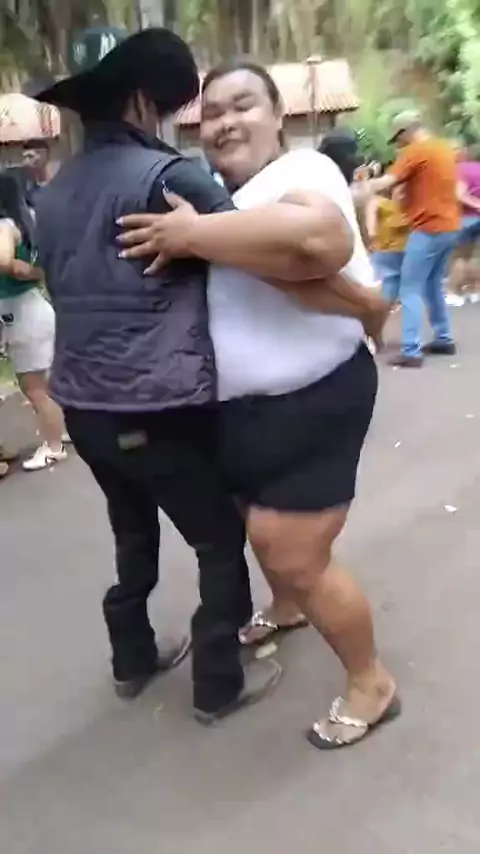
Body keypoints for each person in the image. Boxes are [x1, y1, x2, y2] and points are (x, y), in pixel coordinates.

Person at [36, 30, 386, 724]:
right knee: (222, 540)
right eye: (201, 110)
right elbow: (274, 261)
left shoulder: (54, 193)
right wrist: (367, 305)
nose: (208, 122)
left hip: (85, 402)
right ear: (144, 102)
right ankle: (218, 681)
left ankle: (136, 658)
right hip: (159, 408)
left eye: (240, 107)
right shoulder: (167, 177)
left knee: (142, 535)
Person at [119, 59, 398, 748]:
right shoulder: (216, 194)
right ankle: (290, 608)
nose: (225, 122)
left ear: (278, 116)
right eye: (211, 114)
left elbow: (312, 242)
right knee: (251, 517)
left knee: (293, 550)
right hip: (240, 410)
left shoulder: (303, 172)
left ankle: (372, 683)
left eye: (242, 105)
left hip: (315, 396)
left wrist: (190, 236)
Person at [367, 111, 459, 367]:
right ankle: (444, 338)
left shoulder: (415, 150)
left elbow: (388, 181)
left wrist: (365, 183)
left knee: (409, 288)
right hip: (450, 226)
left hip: (428, 228)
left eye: (398, 139)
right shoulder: (444, 149)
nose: (398, 145)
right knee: (432, 284)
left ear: (406, 131)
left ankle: (411, 350)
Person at [0, 169, 67, 471]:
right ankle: (60, 434)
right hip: (32, 308)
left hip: (23, 315)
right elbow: (39, 268)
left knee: (35, 388)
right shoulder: (27, 221)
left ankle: (53, 447)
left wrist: (14, 266)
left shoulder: (3, 226)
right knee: (44, 384)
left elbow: (3, 260)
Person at [367, 184, 410, 304]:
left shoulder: (376, 202)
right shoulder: (378, 203)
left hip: (389, 250)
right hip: (394, 250)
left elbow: (371, 230)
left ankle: (388, 303)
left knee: (388, 281)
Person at [448, 149, 480, 304]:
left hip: (465, 219)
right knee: (476, 257)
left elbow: (459, 195)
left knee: (459, 257)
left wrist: (476, 204)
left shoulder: (458, 170)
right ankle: (474, 291)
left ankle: (456, 293)